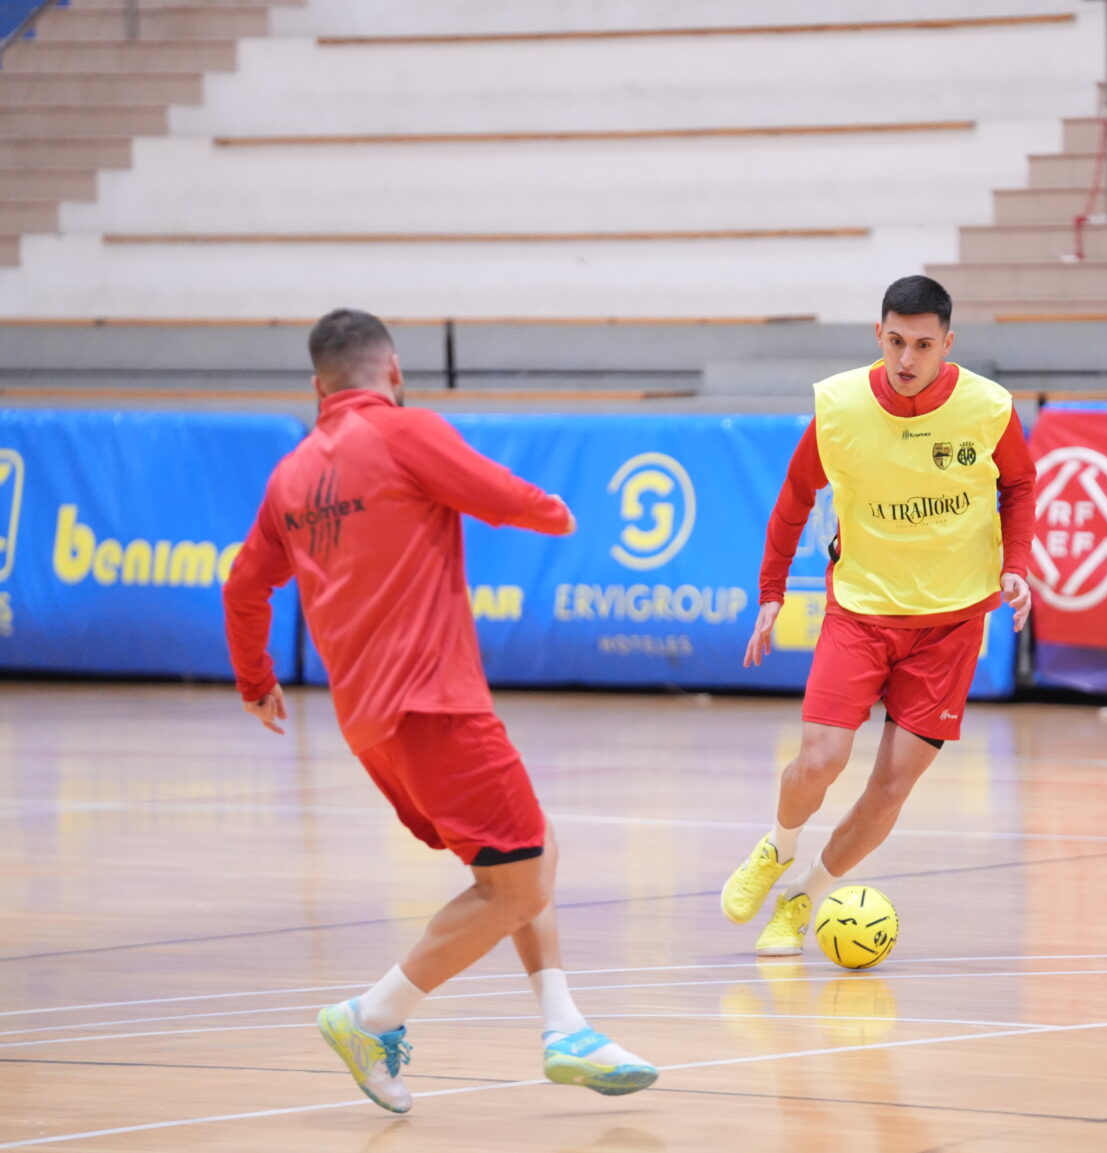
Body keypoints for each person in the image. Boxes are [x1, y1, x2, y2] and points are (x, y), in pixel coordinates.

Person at [222, 308, 656, 1112]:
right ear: (393, 371)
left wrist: (255, 680)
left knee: (522, 855)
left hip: (367, 722)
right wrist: (555, 511)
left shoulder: (288, 478)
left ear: (319, 386)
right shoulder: (403, 431)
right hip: (434, 704)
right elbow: (502, 496)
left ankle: (564, 1025)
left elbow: (244, 587)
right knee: (518, 881)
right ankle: (371, 1014)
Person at [720, 275, 1036, 954]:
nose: (906, 359)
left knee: (891, 785)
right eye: (896, 341)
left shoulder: (988, 408)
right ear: (878, 335)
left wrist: (1017, 562)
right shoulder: (840, 406)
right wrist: (771, 590)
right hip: (860, 611)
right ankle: (777, 848)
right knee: (819, 760)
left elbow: (1019, 482)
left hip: (950, 624)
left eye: (923, 345)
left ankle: (803, 896)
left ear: (947, 345)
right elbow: (794, 496)